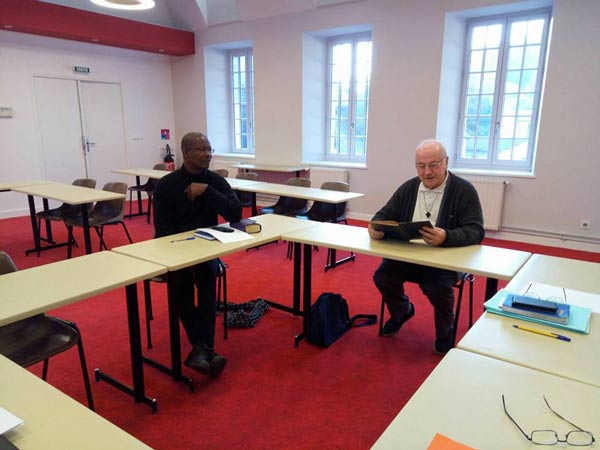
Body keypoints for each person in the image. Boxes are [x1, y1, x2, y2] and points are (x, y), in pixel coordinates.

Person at [369, 139, 484, 355]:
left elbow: (476, 231)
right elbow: (382, 216)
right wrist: (374, 227)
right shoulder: (409, 187)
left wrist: (446, 236)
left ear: (446, 162)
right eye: (421, 166)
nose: (427, 172)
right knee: (383, 276)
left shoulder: (464, 190)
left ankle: (445, 330)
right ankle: (402, 310)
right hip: (410, 256)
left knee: (435, 287)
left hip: (445, 259)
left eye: (433, 165)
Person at [153, 132, 242, 376]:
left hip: (207, 249)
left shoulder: (214, 181)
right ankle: (204, 347)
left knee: (207, 280)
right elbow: (162, 231)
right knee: (180, 286)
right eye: (201, 149)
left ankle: (202, 349)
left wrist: (207, 191)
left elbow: (236, 213)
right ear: (186, 152)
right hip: (176, 251)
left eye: (209, 149)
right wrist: (182, 255)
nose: (207, 154)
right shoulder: (167, 185)